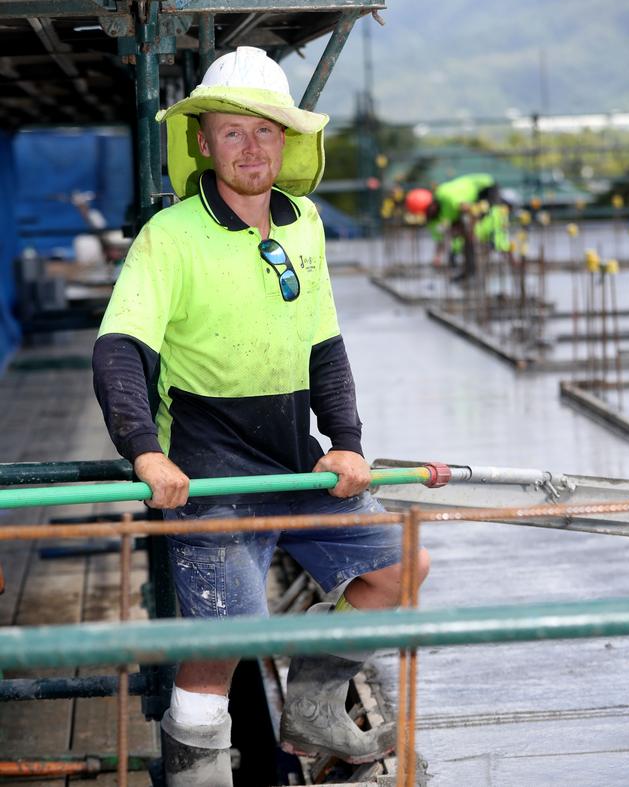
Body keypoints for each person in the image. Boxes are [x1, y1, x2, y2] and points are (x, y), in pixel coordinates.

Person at [92, 46, 430, 787]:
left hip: (293, 459)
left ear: (289, 139)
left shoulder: (303, 222)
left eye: (267, 131)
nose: (253, 147)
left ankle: (311, 707)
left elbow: (325, 347)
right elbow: (119, 349)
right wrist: (147, 454)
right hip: (210, 473)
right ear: (204, 141)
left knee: (399, 568)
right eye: (233, 131)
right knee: (226, 638)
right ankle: (196, 774)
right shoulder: (170, 235)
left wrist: (346, 442)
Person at [426, 173, 502, 279]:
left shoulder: (449, 199)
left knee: (471, 234)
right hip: (472, 198)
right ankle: (470, 270)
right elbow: (446, 230)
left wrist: (470, 228)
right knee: (467, 235)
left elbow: (467, 209)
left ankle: (473, 271)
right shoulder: (440, 209)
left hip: (486, 188)